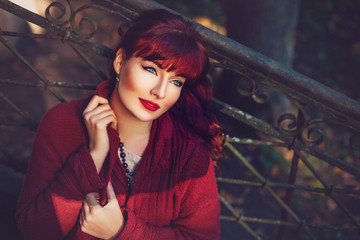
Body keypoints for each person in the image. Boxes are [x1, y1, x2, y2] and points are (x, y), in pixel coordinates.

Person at [15, 9, 223, 240]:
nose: (160, 92)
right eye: (150, 69)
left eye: (176, 81)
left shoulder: (190, 152)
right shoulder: (61, 123)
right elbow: (34, 231)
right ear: (120, 61)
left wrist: (122, 232)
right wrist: (92, 159)